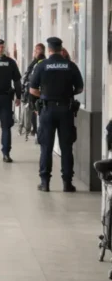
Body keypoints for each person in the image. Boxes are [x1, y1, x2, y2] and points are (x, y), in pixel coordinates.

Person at [29, 37, 84, 192]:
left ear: (49, 50)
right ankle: (67, 183)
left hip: (47, 110)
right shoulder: (70, 66)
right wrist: (66, 93)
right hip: (66, 110)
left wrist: (46, 95)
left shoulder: (42, 66)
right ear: (61, 49)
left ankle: (45, 183)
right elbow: (80, 88)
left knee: (46, 147)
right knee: (66, 147)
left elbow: (32, 90)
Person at [22, 43, 46, 139]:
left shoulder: (41, 62)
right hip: (32, 92)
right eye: (34, 50)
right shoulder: (35, 62)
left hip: (37, 92)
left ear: (42, 51)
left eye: (37, 50)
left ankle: (37, 132)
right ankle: (35, 130)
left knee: (36, 112)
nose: (35, 52)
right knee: (33, 112)